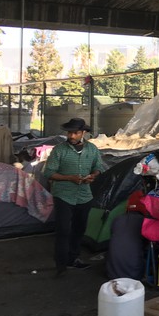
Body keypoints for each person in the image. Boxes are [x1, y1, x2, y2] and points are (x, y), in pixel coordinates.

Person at [43, 117, 105, 276]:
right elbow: (49, 173)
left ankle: (74, 259)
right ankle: (61, 264)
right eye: (70, 133)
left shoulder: (92, 149)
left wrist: (93, 175)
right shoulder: (59, 150)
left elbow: (98, 166)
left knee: (79, 229)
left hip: (84, 196)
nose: (71, 136)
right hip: (63, 195)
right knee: (63, 230)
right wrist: (69, 178)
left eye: (75, 133)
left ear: (83, 133)